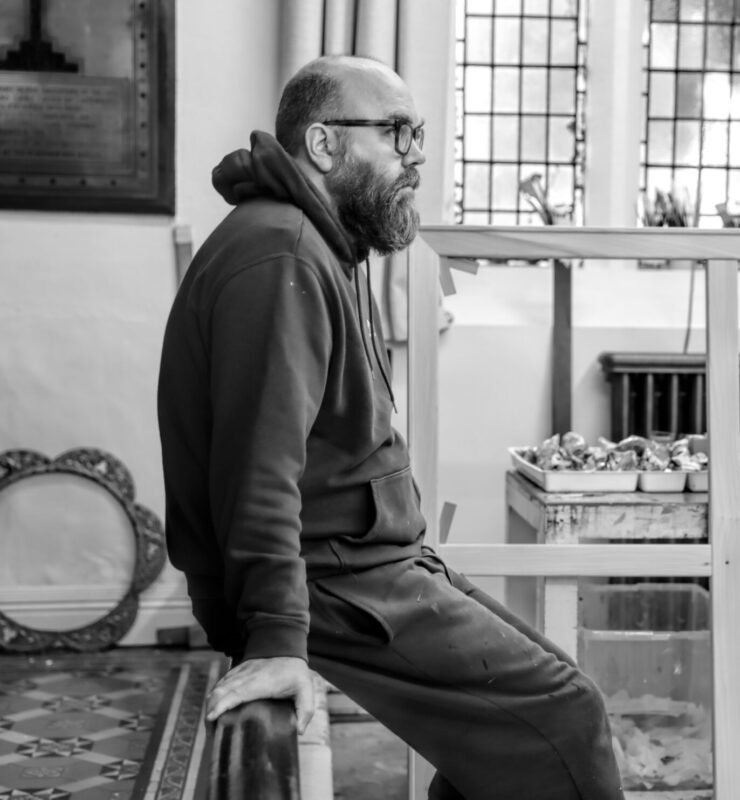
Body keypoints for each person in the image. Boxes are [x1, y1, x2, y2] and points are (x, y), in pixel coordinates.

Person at [157, 55, 624, 800]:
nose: (418, 155)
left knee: (540, 711)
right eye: (397, 132)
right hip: (339, 578)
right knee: (566, 717)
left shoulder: (318, 242)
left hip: (371, 561)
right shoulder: (281, 252)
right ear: (323, 145)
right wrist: (276, 638)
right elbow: (258, 465)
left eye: (421, 134)